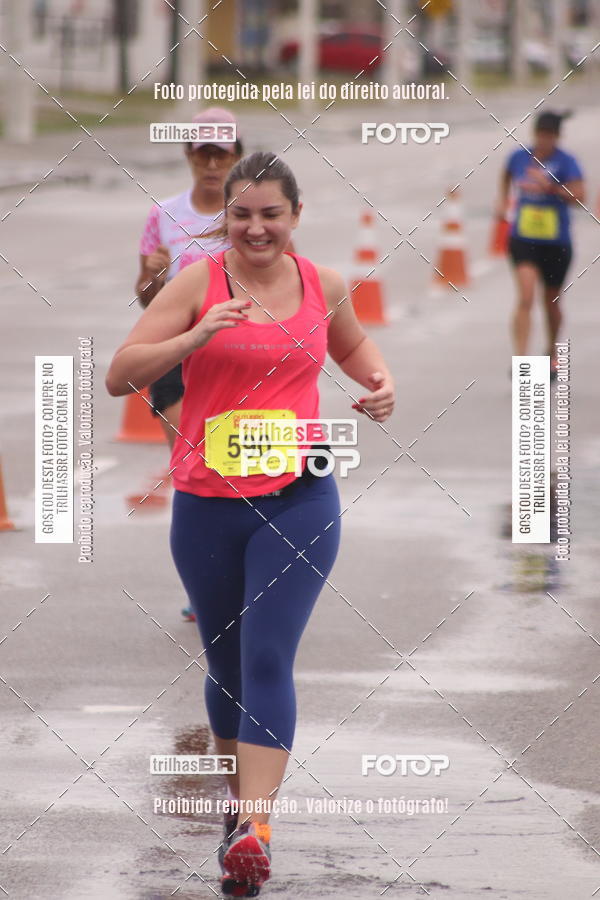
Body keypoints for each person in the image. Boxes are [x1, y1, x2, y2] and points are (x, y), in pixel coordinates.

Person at [107, 152, 395, 896]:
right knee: (227, 665)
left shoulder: (321, 284)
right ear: (224, 218)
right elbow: (120, 374)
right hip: (206, 500)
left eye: (271, 214)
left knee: (269, 656)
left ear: (295, 217)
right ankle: (241, 809)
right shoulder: (198, 283)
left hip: (300, 494)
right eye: (242, 214)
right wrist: (194, 339)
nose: (256, 227)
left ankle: (254, 826)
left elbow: (353, 344)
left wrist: (377, 380)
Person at [136, 106, 243, 448]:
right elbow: (146, 299)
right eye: (203, 155)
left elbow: (286, 281)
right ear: (188, 155)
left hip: (237, 350)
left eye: (221, 156)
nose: (212, 166)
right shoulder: (163, 214)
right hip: (176, 349)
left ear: (236, 157)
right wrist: (154, 278)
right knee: (188, 457)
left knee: (231, 465)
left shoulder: (250, 215)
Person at [497, 110, 584, 379]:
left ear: (557, 137)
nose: (545, 141)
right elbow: (506, 175)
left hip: (557, 243)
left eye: (550, 137)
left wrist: (551, 188)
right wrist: (502, 201)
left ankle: (551, 353)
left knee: (552, 303)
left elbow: (580, 195)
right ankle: (521, 360)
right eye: (541, 135)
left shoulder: (567, 162)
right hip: (523, 239)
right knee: (525, 297)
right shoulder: (519, 157)